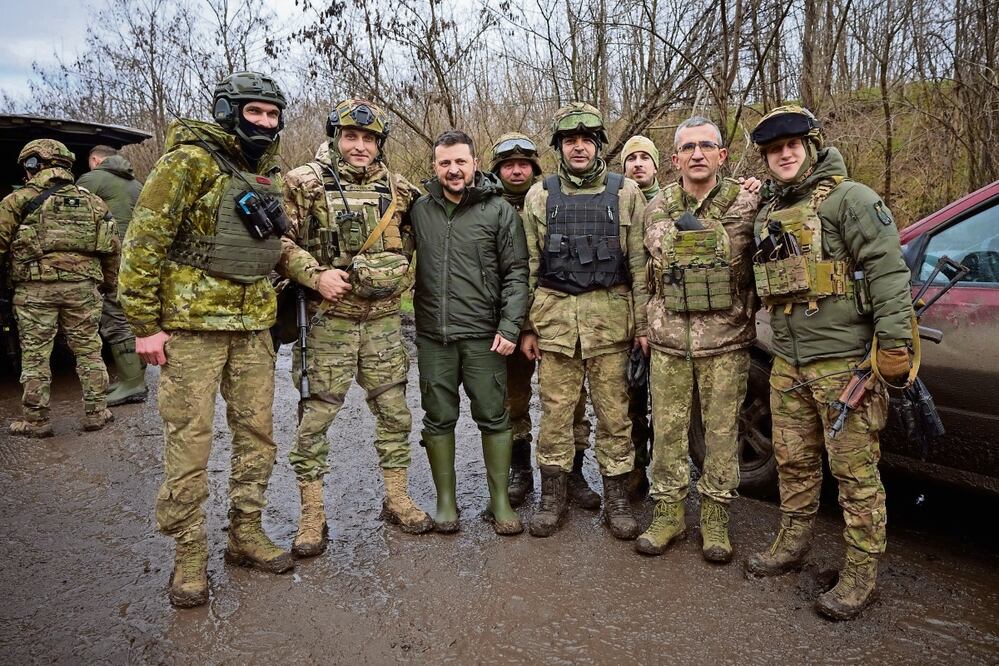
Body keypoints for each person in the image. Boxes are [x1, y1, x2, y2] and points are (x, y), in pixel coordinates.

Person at [119, 72, 295, 608]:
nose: (264, 123)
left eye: (272, 114)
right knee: (190, 442)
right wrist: (144, 325)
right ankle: (189, 552)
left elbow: (276, 245)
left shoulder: (268, 175)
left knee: (256, 436)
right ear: (227, 111)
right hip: (192, 330)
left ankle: (246, 531)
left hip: (252, 328)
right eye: (254, 113)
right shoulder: (187, 162)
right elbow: (144, 242)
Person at [743, 105, 914, 621]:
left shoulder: (851, 200)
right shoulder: (768, 212)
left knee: (854, 472)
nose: (785, 154)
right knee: (792, 461)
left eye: (793, 144)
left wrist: (894, 342)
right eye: (775, 150)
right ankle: (792, 543)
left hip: (844, 367)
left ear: (812, 146)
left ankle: (861, 572)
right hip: (788, 362)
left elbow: (888, 270)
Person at [279, 98, 431, 557]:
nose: (360, 146)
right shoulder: (303, 183)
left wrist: (403, 276)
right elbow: (277, 242)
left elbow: (422, 240)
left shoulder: (400, 190)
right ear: (335, 138)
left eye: (369, 139)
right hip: (329, 323)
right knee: (316, 417)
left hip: (384, 322)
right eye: (351, 137)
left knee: (395, 413)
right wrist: (313, 274)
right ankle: (313, 515)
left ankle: (397, 497)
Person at [521, 102, 648, 540]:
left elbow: (640, 267)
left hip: (610, 324)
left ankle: (616, 498)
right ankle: (553, 496)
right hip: (555, 325)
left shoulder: (627, 192)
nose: (579, 147)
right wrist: (524, 327)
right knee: (555, 414)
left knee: (615, 416)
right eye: (570, 141)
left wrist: (644, 326)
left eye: (587, 140)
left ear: (598, 146)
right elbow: (528, 267)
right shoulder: (539, 195)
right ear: (559, 147)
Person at [638, 117, 760, 562]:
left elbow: (730, 249)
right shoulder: (659, 203)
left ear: (721, 155)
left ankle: (715, 519)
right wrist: (706, 238)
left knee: (722, 434)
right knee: (668, 432)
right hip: (670, 340)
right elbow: (664, 248)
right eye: (687, 148)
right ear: (674, 159)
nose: (697, 154)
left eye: (706, 146)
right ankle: (668, 513)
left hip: (725, 341)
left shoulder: (742, 200)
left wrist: (697, 237)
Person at [410, 130, 529, 536]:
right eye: (445, 163)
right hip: (433, 336)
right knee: (438, 417)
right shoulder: (419, 209)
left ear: (475, 164)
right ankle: (446, 502)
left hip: (485, 336)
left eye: (460, 161)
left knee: (494, 417)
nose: (453, 169)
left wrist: (510, 325)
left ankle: (499, 502)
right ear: (435, 167)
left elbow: (517, 273)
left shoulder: (498, 211)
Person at [488, 133, 600, 510]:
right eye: (508, 165)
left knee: (571, 401)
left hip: (557, 318)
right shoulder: (483, 205)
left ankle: (574, 473)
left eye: (523, 164)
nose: (516, 171)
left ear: (535, 167)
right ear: (497, 169)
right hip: (506, 321)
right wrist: (517, 327)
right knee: (514, 401)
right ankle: (520, 472)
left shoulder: (555, 196)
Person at [0, 139, 118, 437]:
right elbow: (112, 250)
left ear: (31, 165)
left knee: (35, 354)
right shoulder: (93, 202)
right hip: (82, 288)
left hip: (33, 290)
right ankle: (96, 412)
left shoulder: (16, 201)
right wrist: (109, 284)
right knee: (89, 349)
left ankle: (36, 420)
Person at [77, 145, 147, 406]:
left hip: (111, 259)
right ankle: (134, 377)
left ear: (94, 160)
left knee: (115, 316)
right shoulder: (136, 184)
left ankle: (133, 383)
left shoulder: (91, 180)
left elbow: (77, 218)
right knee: (133, 315)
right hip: (138, 259)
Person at [619, 134, 662, 498]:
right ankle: (635, 470)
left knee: (667, 405)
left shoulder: (677, 201)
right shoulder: (615, 202)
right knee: (632, 400)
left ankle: (667, 477)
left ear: (656, 165)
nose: (637, 164)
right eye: (630, 159)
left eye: (644, 158)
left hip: (669, 319)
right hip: (630, 315)